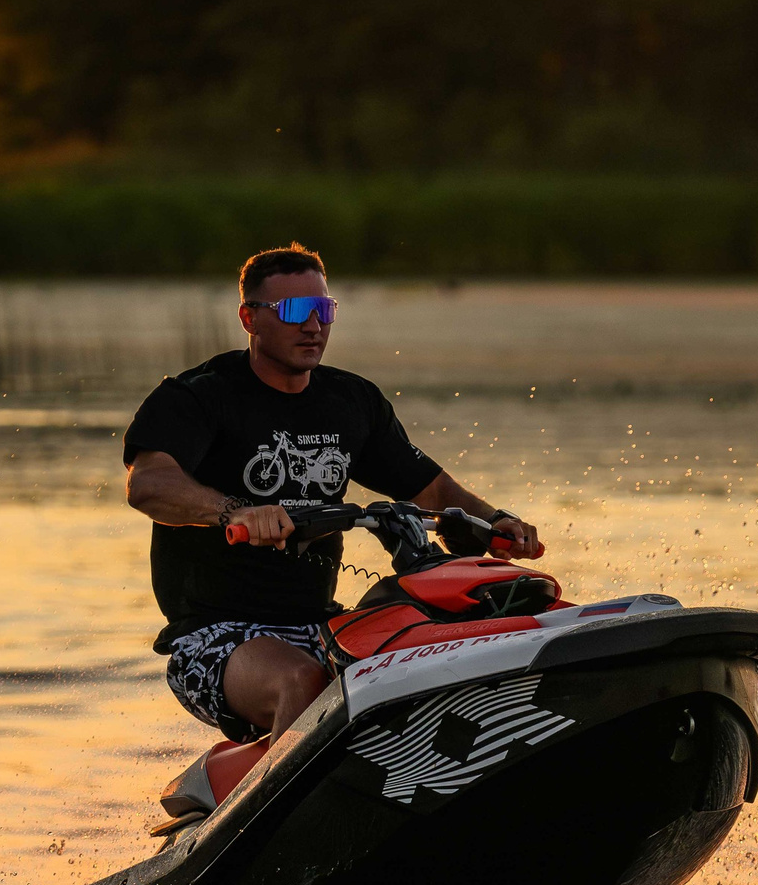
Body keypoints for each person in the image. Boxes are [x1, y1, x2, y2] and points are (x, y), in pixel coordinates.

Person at [121, 244, 542, 743]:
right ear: (249, 318)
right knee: (301, 681)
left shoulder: (351, 400)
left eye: (324, 309)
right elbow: (148, 483)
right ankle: (283, 792)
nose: (313, 326)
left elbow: (432, 488)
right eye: (295, 310)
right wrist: (235, 511)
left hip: (320, 624)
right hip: (213, 635)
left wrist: (496, 520)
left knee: (425, 655)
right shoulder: (198, 396)